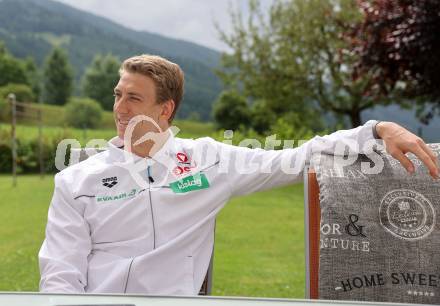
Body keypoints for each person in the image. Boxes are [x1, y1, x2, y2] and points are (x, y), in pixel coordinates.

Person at [38, 54, 439, 294]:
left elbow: (298, 156)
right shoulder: (76, 181)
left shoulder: (208, 161)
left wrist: (375, 130)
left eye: (134, 98)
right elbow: (61, 269)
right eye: (118, 95)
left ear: (165, 110)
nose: (120, 109)